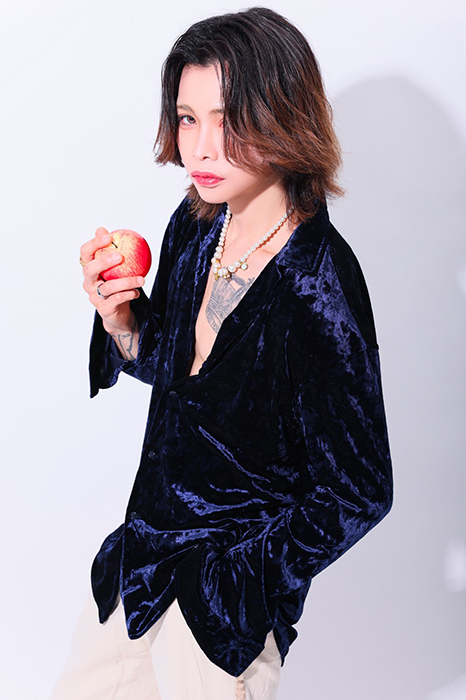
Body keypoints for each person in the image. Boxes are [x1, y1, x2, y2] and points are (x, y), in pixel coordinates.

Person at [53, 7, 393, 700]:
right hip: (139, 568)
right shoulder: (195, 226)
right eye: (188, 118)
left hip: (220, 617)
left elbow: (361, 489)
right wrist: (122, 320)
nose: (201, 149)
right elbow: (186, 377)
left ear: (283, 115)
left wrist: (243, 577)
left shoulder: (318, 281)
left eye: (228, 119)